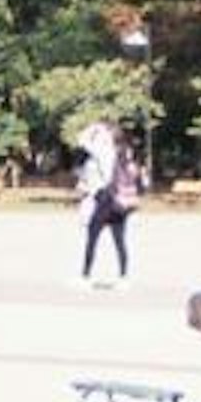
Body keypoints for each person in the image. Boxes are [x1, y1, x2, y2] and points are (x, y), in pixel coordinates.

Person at [77, 121, 136, 287]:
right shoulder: (124, 151)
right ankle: (124, 277)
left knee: (92, 237)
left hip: (105, 199)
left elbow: (81, 140)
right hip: (120, 199)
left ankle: (85, 275)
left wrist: (93, 127)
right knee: (119, 240)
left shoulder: (103, 151)